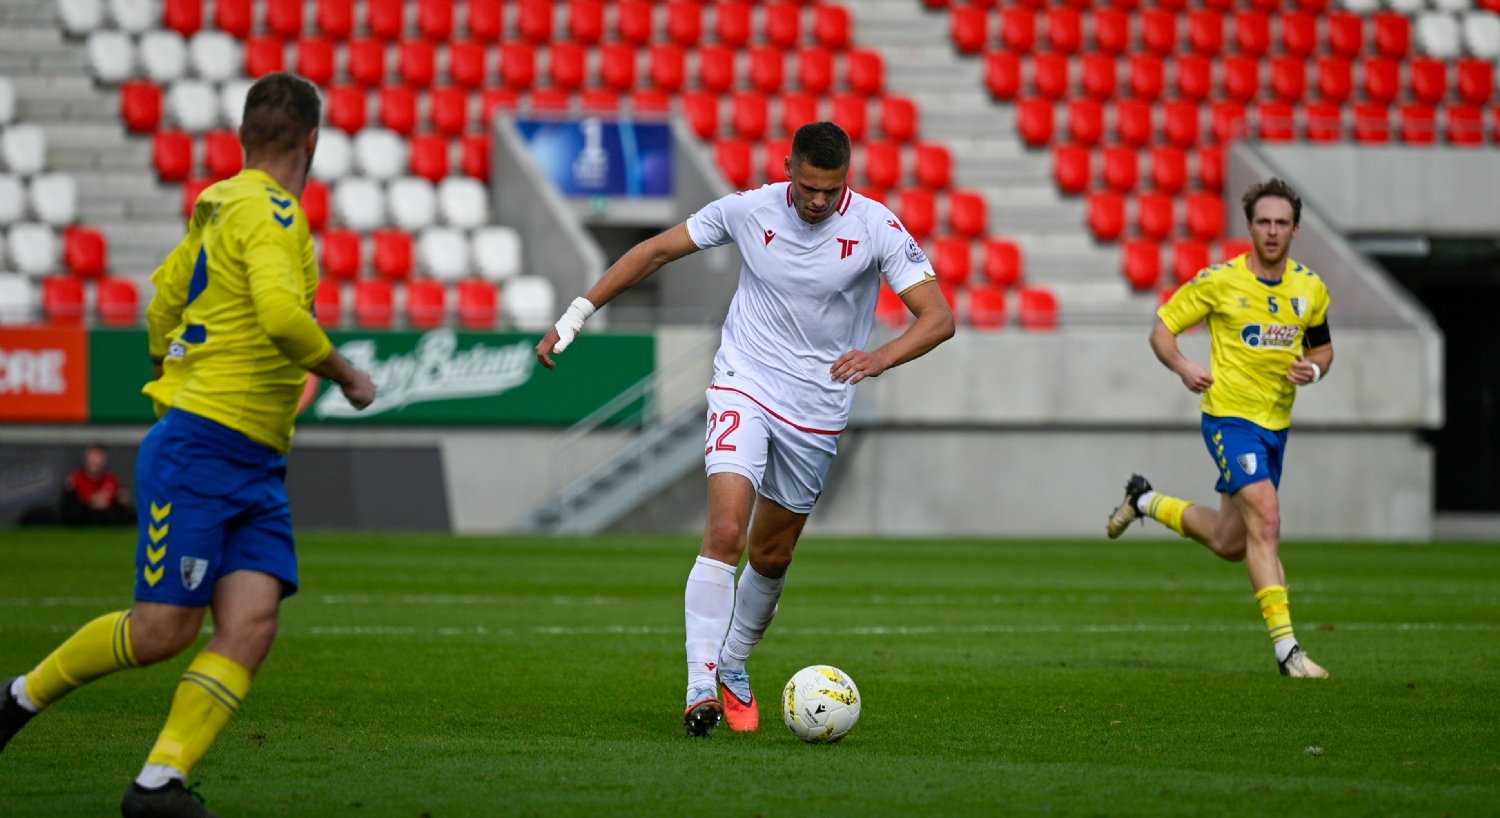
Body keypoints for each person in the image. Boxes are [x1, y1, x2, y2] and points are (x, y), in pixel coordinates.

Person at [0, 72, 377, 818]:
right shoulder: (272, 212)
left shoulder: (217, 207)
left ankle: (158, 784)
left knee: (252, 622)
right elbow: (281, 317)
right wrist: (346, 374)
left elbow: (162, 307)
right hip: (204, 449)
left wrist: (170, 370)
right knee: (161, 631)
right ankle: (17, 699)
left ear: (243, 137)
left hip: (254, 461)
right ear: (312, 140)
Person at [535, 122, 955, 737]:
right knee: (727, 530)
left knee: (772, 554)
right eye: (808, 187)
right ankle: (700, 685)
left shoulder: (876, 226)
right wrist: (575, 317)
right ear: (788, 169)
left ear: (846, 180)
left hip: (818, 408)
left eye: (831, 190)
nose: (819, 200)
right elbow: (654, 252)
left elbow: (938, 316)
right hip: (745, 384)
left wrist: (881, 356)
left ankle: (733, 662)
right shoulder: (747, 210)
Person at [1106, 177, 1333, 679]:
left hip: (1276, 425)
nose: (1272, 231)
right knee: (1267, 521)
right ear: (1249, 227)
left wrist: (1314, 370)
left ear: (1295, 229)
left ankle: (1143, 500)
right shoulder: (1219, 281)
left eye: (1281, 223)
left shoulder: (1310, 289)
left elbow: (1322, 348)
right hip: (1229, 419)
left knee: (1233, 542)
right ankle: (1288, 652)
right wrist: (1183, 366)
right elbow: (1162, 331)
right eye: (1263, 222)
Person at [60, 444, 136, 527]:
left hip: (107, 521)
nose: (95, 461)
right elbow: (69, 510)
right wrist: (90, 504)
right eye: (92, 457)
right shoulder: (75, 479)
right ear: (86, 459)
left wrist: (120, 501)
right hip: (83, 521)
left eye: (98, 457)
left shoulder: (111, 480)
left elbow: (119, 510)